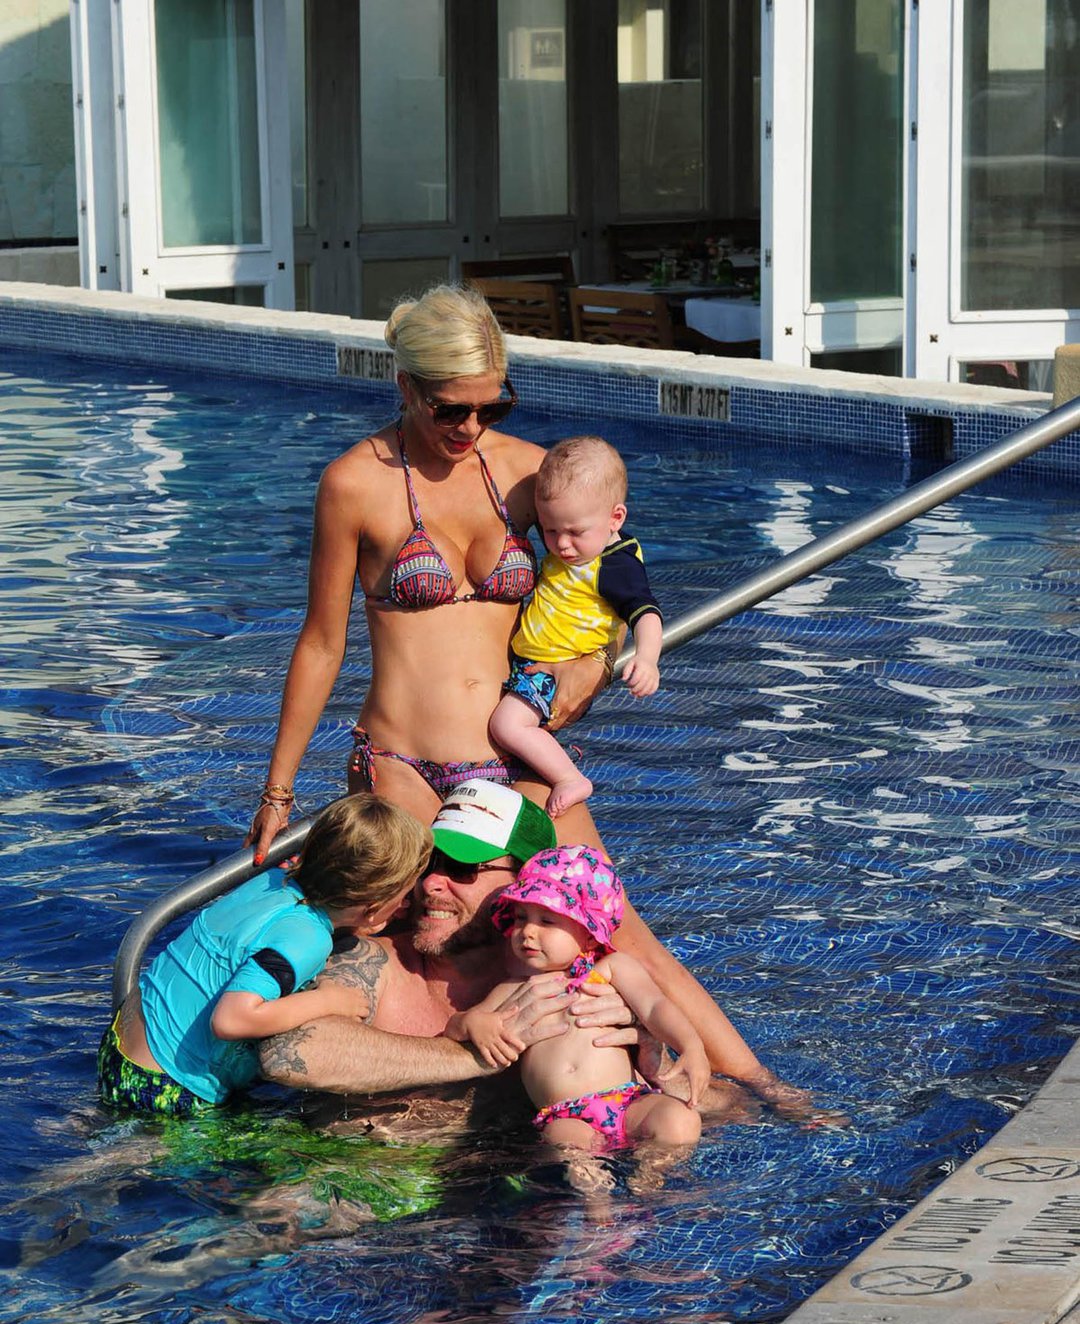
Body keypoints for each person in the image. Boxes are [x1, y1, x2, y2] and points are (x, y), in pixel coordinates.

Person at [242, 283, 824, 1112]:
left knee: (616, 929)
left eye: (489, 405)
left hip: (515, 757)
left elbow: (602, 598)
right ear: (404, 386)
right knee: (430, 954)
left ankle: (764, 1087)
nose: (468, 427)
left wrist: (589, 672)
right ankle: (471, 1121)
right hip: (405, 763)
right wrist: (277, 792)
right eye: (449, 408)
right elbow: (321, 643)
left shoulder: (528, 478)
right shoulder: (354, 484)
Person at [256, 781, 812, 1135]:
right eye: (431, 864)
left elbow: (723, 1106)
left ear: (529, 886)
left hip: (505, 1184)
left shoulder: (577, 987)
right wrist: (470, 1056)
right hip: (350, 1178)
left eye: (466, 870)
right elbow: (288, 1055)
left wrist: (649, 1062)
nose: (433, 886)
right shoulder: (374, 955)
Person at [98, 794, 432, 1116]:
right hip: (165, 1088)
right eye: (404, 894)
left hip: (122, 1044)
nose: (406, 904)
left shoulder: (272, 881)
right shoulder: (308, 939)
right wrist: (331, 1002)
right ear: (373, 906)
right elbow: (232, 1019)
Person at [447, 846, 707, 1170]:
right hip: (565, 1116)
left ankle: (650, 1173)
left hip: (628, 1101)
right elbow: (456, 1028)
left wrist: (691, 1046)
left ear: (588, 936)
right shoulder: (513, 989)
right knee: (567, 1145)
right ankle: (598, 1208)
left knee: (681, 1120)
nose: (528, 931)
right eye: (521, 918)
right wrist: (473, 1024)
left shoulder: (610, 971)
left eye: (546, 920)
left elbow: (655, 1007)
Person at [488, 436, 663, 817]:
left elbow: (645, 613)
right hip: (534, 664)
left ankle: (570, 778)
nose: (562, 545)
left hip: (557, 670)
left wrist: (647, 659)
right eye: (550, 531)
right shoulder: (578, 540)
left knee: (507, 726)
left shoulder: (614, 566)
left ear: (615, 518)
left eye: (575, 532)